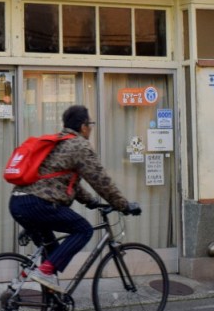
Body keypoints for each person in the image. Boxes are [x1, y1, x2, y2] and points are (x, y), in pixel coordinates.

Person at [8, 104, 140, 292]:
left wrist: (91, 202)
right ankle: (45, 272)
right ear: (83, 126)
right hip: (38, 204)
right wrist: (123, 205)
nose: (91, 129)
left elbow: (66, 183)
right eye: (90, 124)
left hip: (19, 202)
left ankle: (47, 299)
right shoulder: (79, 145)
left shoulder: (59, 142)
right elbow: (100, 180)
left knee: (51, 251)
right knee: (83, 230)